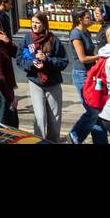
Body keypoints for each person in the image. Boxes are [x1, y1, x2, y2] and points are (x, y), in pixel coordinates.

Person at [16, 11, 68, 141]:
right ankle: (39, 141)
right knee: (40, 117)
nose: (34, 25)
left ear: (44, 24)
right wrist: (31, 64)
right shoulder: (27, 39)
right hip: (35, 81)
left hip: (53, 82)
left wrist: (47, 60)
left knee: (55, 117)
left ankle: (53, 141)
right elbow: (19, 59)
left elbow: (63, 61)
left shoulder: (53, 39)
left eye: (37, 23)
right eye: (32, 22)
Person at [66, 8, 107, 144]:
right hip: (81, 75)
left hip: (92, 74)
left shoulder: (86, 32)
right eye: (88, 17)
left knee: (98, 110)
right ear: (80, 19)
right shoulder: (75, 34)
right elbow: (82, 58)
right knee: (92, 110)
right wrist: (101, 56)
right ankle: (74, 135)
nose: (91, 19)